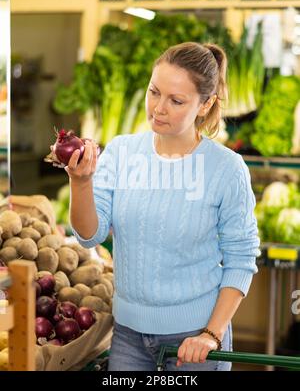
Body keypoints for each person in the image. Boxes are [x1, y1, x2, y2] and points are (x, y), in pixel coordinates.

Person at [66, 42, 260, 371]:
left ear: (205, 104)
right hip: (127, 335)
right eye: (154, 92)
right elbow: (89, 235)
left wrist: (211, 334)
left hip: (194, 341)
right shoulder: (121, 152)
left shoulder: (227, 169)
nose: (159, 108)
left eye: (176, 100)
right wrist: (80, 181)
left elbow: (241, 260)